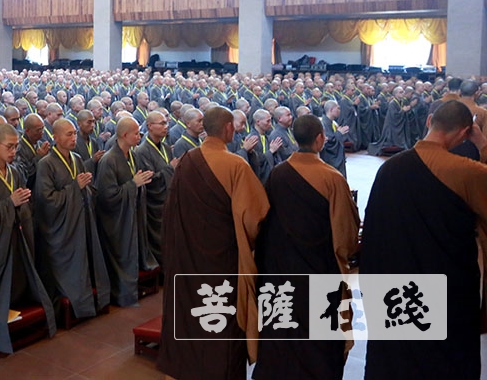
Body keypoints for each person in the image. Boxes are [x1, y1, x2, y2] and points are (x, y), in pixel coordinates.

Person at [361, 100, 487, 379]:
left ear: (429, 120)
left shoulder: (389, 168)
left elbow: (373, 229)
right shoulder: (468, 171)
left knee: (397, 360)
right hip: (447, 290)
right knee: (445, 361)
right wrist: (483, 145)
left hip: (397, 290)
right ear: (465, 132)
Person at [157, 106, 270, 380]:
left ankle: (187, 365)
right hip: (223, 259)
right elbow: (256, 217)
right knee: (222, 314)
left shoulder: (187, 160)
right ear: (229, 129)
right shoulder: (236, 165)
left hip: (188, 255)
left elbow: (170, 212)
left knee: (193, 309)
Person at [254, 115, 360, 379]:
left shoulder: (278, 174)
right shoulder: (332, 178)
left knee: (281, 325)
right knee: (320, 331)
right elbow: (345, 232)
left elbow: (265, 221)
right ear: (320, 139)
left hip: (281, 268)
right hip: (320, 267)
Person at [0, 123, 56, 353]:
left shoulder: (15, 171)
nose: (14, 151)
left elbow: (25, 204)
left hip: (15, 238)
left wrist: (20, 208)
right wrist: (9, 204)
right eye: (9, 146)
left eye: (16, 147)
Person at [34, 118, 111, 323]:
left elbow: (83, 188)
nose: (73, 137)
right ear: (55, 137)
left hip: (80, 221)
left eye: (74, 133)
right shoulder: (46, 164)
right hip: (61, 228)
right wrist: (74, 187)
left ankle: (89, 301)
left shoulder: (77, 158)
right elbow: (46, 200)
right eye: (68, 134)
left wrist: (86, 188)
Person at [94, 116, 156, 307]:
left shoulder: (133, 155)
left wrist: (141, 183)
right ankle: (122, 295)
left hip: (132, 215)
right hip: (116, 220)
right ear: (124, 134)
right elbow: (106, 196)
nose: (140, 136)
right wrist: (133, 185)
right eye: (136, 133)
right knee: (122, 255)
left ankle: (132, 290)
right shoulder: (109, 160)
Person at [134, 111, 179, 265]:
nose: (166, 127)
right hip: (154, 204)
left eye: (166, 123)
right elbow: (148, 179)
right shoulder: (141, 151)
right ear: (150, 126)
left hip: (169, 199)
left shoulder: (166, 147)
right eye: (161, 123)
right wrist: (169, 168)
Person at [319, 100, 349, 177]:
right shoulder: (324, 123)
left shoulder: (332, 122)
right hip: (330, 159)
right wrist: (339, 133)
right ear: (331, 110)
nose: (339, 110)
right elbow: (329, 142)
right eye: (338, 108)